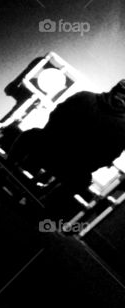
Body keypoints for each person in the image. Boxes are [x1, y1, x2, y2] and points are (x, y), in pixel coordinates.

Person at [9, 79, 125, 218]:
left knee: (31, 135)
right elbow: (108, 157)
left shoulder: (85, 96)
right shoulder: (122, 126)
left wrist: (54, 138)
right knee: (82, 180)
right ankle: (40, 203)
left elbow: (55, 116)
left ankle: (6, 169)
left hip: (47, 148)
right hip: (72, 167)